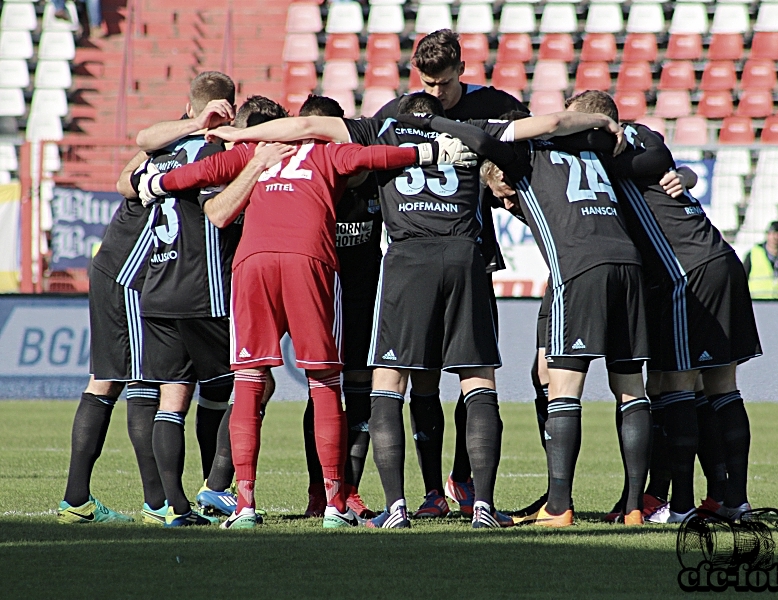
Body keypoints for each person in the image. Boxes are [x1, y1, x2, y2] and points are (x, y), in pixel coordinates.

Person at [137, 94, 471, 529]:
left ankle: (245, 507)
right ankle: (334, 505)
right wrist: (430, 151)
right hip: (308, 260)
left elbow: (197, 174)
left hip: (252, 264)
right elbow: (380, 155)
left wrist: (153, 185)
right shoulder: (330, 151)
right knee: (325, 383)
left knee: (250, 382)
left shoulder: (253, 150)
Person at [426, 111, 652, 527]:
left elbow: (479, 137)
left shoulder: (523, 155)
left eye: (503, 195)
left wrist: (430, 120)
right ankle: (634, 506)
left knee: (563, 388)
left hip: (579, 269)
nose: (507, 204)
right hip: (630, 266)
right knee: (631, 389)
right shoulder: (588, 148)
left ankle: (559, 507)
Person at [573, 91, 761, 523]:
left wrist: (685, 173)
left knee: (675, 386)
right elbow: (660, 157)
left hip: (686, 271)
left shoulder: (605, 154)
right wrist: (687, 174)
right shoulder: (645, 139)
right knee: (720, 388)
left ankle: (678, 507)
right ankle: (734, 500)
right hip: (720, 257)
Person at [374, 29, 530, 518]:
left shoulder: (496, 106)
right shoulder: (399, 111)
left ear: (461, 69)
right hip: (440, 253)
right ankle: (431, 495)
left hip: (466, 251)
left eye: (442, 83)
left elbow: (522, 155)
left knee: (467, 376)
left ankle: (464, 487)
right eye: (426, 82)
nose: (435, 92)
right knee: (428, 381)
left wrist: (496, 173)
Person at [130, 71, 242, 527]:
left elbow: (135, 161)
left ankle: (174, 508)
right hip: (205, 288)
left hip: (157, 288)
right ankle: (217, 488)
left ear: (191, 105)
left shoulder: (161, 153)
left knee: (172, 399)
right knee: (249, 385)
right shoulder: (220, 151)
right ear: (230, 106)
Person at [56, 151, 162, 525]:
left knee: (105, 380)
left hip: (113, 269)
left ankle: (77, 501)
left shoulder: (160, 149)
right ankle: (158, 504)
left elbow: (127, 175)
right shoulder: (188, 155)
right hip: (128, 279)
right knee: (144, 379)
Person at [295, 95, 380, 521]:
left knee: (361, 394)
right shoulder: (297, 176)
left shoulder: (370, 171)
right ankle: (320, 488)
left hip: (365, 295)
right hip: (318, 294)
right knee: (323, 391)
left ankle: (351, 490)